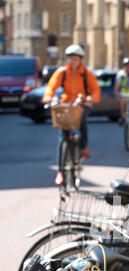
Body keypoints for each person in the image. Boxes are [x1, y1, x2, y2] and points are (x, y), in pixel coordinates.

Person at [43, 44, 101, 185]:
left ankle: (83, 146)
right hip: (66, 104)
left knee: (81, 120)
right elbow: (51, 87)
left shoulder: (87, 73)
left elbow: (95, 90)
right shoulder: (62, 72)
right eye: (70, 58)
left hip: (81, 104)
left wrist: (91, 98)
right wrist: (49, 98)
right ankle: (60, 172)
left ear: (80, 59)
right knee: (62, 138)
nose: (72, 61)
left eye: (75, 58)